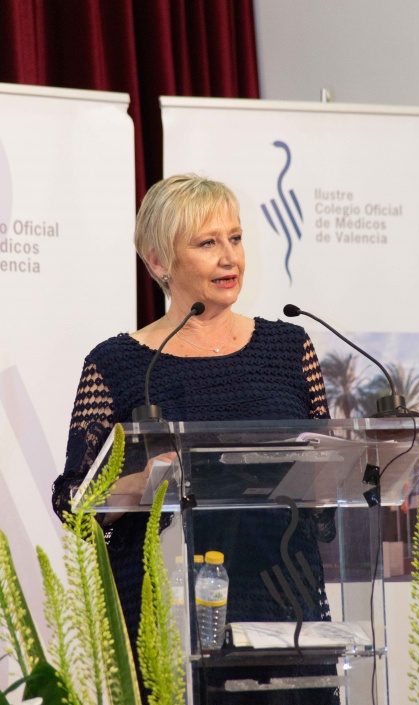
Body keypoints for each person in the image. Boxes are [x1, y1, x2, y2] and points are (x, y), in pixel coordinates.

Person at [52, 174, 339, 704]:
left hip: (282, 600)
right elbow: (74, 501)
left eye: (235, 238)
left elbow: (326, 490)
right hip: (168, 609)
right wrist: (144, 480)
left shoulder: (289, 348)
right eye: (207, 243)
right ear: (159, 260)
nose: (230, 258)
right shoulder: (118, 364)